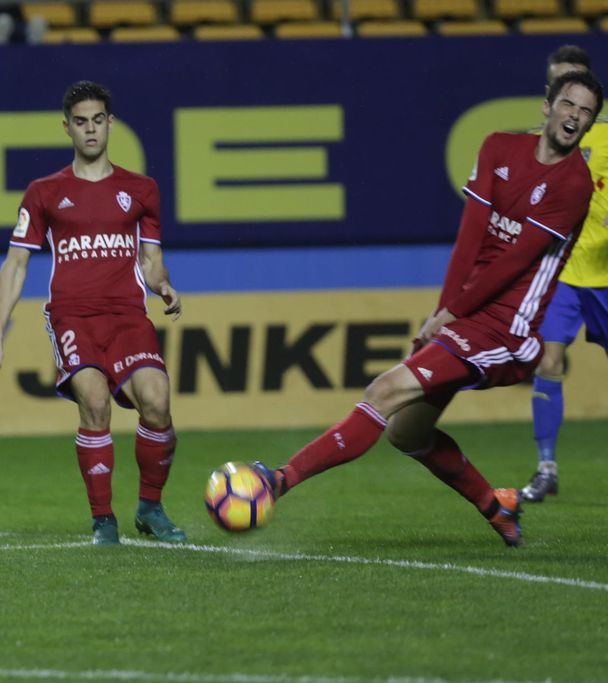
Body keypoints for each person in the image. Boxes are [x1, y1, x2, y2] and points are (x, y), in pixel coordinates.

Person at [251, 71, 605, 548]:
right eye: (568, 105)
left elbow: (514, 261)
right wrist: (443, 314)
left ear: (591, 123)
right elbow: (471, 239)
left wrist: (452, 315)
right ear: (547, 106)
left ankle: (276, 482)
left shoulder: (574, 184)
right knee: (406, 433)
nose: (574, 117)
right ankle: (495, 505)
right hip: (467, 317)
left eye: (586, 112)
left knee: (383, 390)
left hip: (507, 330)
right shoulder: (498, 147)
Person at [0, 81, 185, 545]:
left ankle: (150, 507)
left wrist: (163, 283)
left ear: (110, 123)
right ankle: (103, 519)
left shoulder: (142, 189)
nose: (90, 130)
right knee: (94, 402)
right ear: (66, 127)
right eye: (80, 122)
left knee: (157, 400)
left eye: (97, 120)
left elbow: (151, 257)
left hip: (128, 316)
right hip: (73, 317)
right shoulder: (45, 192)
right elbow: (16, 263)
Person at [524, 47, 607, 504]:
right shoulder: (534, 147)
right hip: (562, 276)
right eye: (561, 88)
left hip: (606, 273)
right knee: (548, 360)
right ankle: (546, 466)